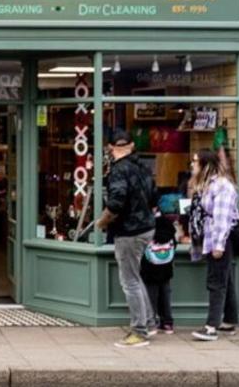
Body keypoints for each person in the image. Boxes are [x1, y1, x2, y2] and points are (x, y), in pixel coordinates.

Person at [101, 127, 157, 349]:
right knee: (135, 277)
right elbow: (155, 196)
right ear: (132, 145)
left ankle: (139, 331)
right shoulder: (142, 166)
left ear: (110, 148)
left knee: (130, 281)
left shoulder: (118, 170)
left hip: (129, 231)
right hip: (146, 227)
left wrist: (103, 220)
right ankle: (150, 322)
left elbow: (116, 201)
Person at [188, 148, 239, 341]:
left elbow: (222, 219)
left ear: (205, 165)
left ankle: (211, 327)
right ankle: (229, 320)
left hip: (220, 239)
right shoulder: (209, 185)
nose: (192, 165)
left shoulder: (222, 186)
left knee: (216, 282)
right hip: (213, 238)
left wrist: (218, 246)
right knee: (225, 279)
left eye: (195, 162)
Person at [140, 211, 177, 334]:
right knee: (165, 293)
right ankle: (167, 323)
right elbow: (174, 242)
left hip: (150, 266)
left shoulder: (145, 222)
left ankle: (151, 322)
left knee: (151, 295)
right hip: (165, 265)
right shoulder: (166, 222)